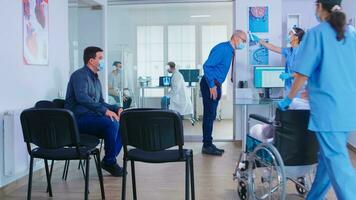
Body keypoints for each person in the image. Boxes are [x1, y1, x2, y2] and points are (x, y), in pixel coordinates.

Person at [278, 0, 356, 199]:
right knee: (327, 160)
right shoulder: (352, 33)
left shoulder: (316, 34)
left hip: (328, 110)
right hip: (347, 107)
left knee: (338, 163)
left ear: (320, 6)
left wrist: (288, 99)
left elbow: (302, 74)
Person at [65, 46, 124, 177]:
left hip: (91, 117)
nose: (103, 61)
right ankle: (110, 161)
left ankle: (109, 160)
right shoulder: (79, 75)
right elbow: (82, 98)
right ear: (91, 60)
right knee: (112, 123)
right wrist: (105, 112)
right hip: (78, 120)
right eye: (100, 58)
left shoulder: (96, 79)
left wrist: (116, 108)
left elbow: (101, 101)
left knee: (122, 124)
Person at [201, 30, 247, 156]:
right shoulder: (223, 49)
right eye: (243, 40)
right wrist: (211, 85)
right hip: (210, 84)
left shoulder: (230, 51)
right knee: (209, 115)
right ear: (236, 37)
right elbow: (207, 66)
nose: (244, 43)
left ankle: (208, 143)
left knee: (212, 115)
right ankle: (206, 145)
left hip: (216, 84)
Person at [251, 27, 305, 96]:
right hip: (288, 89)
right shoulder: (288, 51)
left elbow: (303, 72)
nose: (287, 35)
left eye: (290, 34)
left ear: (296, 37)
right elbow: (272, 47)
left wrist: (289, 75)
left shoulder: (302, 52)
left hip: (299, 90)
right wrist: (259, 40)